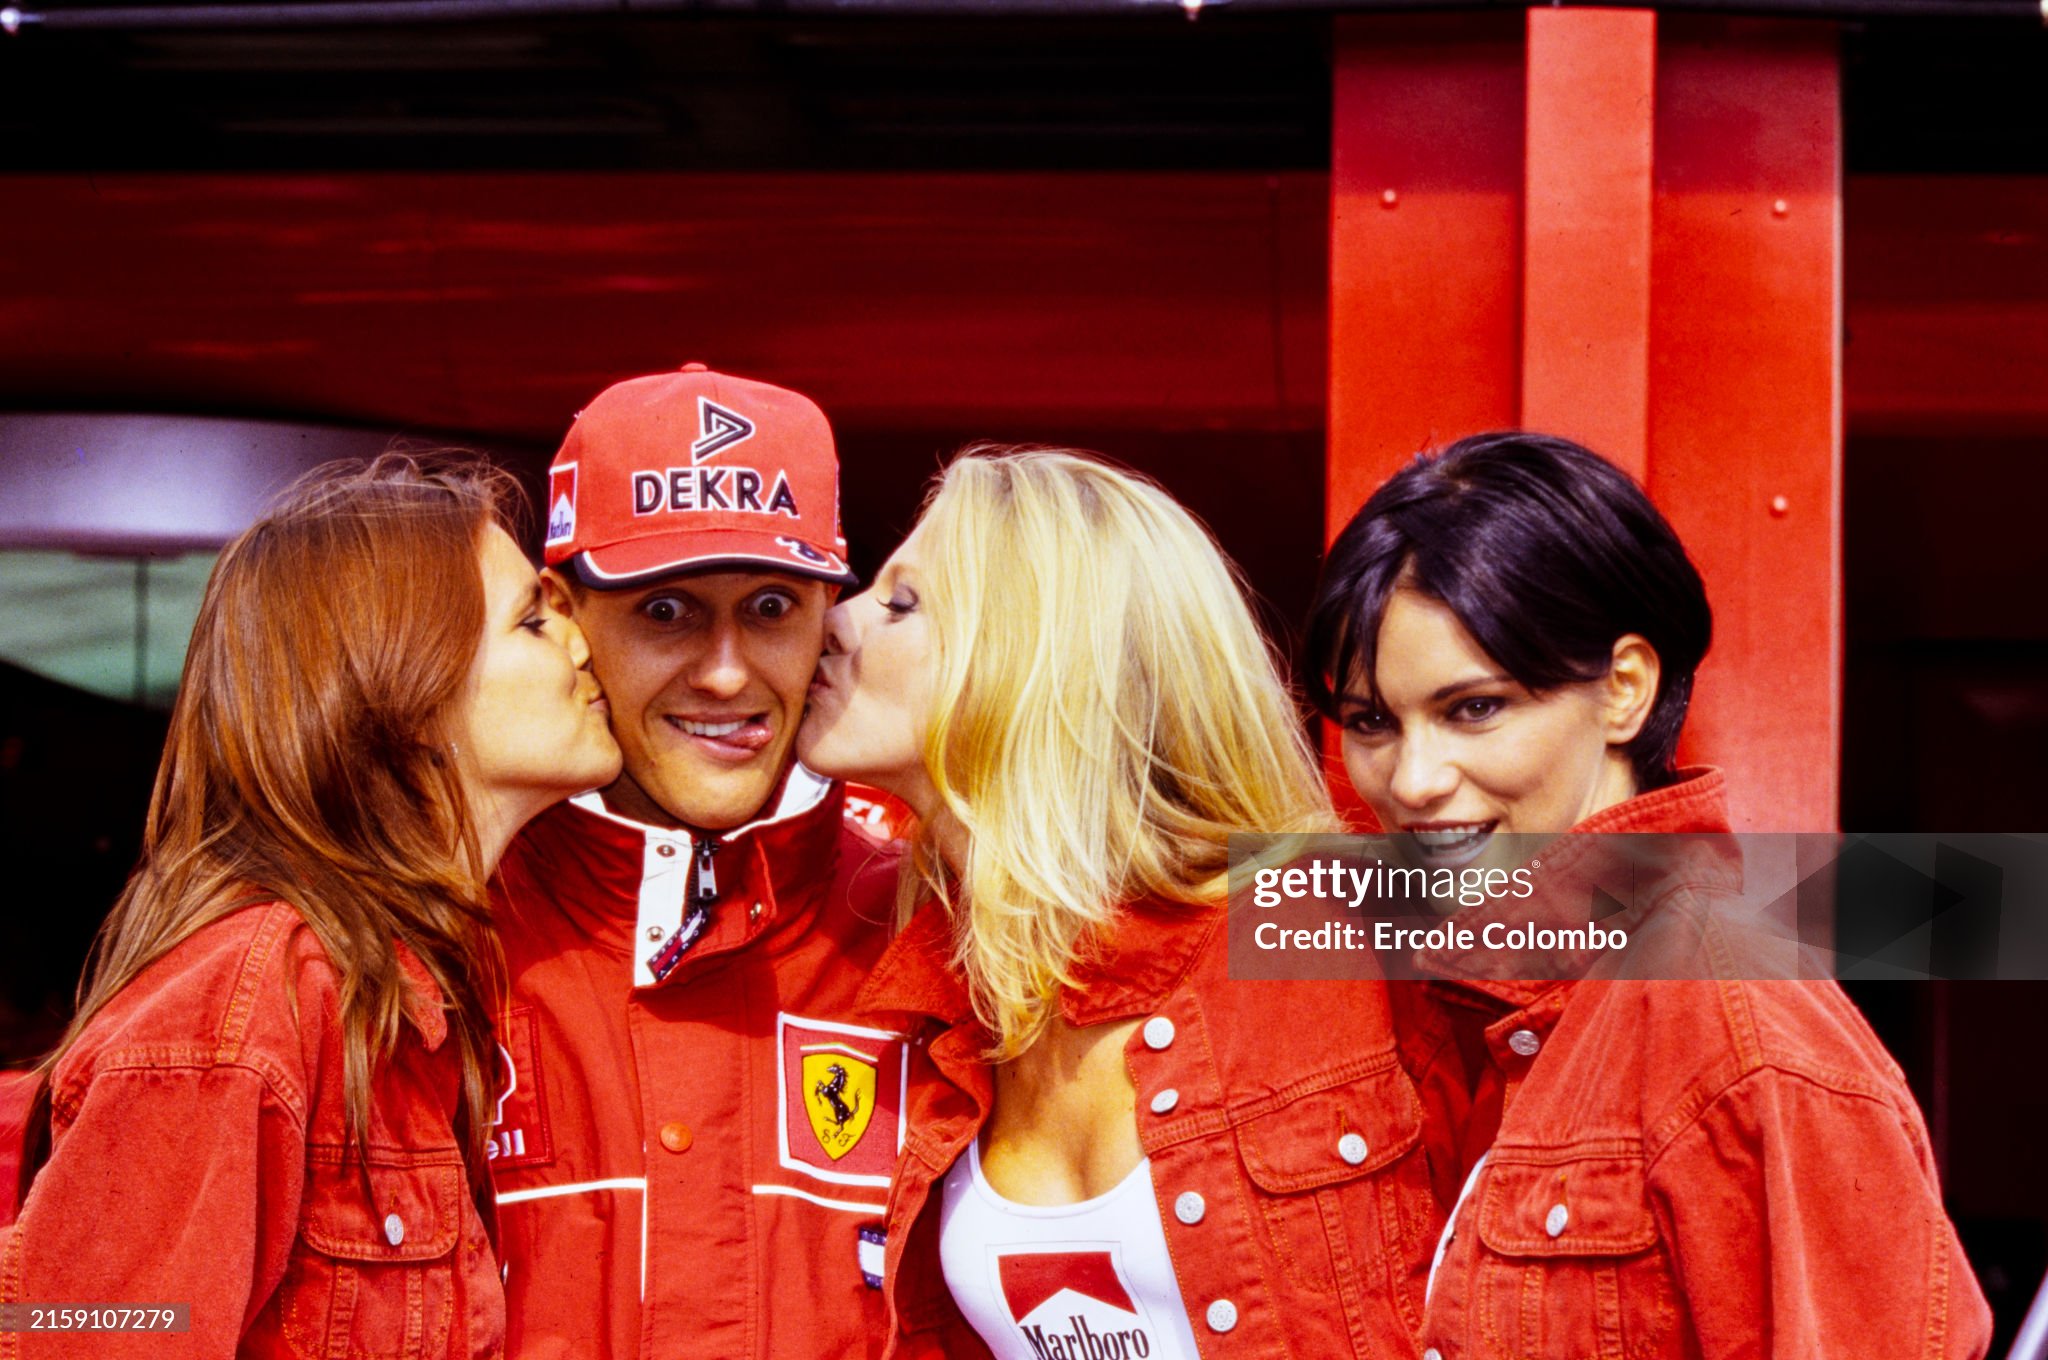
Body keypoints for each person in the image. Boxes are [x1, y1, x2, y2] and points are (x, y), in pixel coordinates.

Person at [1304, 431, 1992, 1360]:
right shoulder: (1446, 1010)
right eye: (1371, 721)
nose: (1414, 778)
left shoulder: (1738, 1028)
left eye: (1475, 708)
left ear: (1624, 688)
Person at [801, 447, 1444, 1360]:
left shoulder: (1312, 910)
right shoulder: (942, 991)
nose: (835, 619)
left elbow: (1685, 913)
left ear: (1037, 661)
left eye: (901, 603)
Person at [0, 454, 621, 1358]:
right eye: (532, 620)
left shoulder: (401, 994)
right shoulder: (252, 1001)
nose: (579, 644)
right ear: (405, 690)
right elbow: (90, 1328)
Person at [488, 364, 903, 1360]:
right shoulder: (426, 933)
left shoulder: (938, 912)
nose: (725, 671)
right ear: (562, 615)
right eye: (664, 611)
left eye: (768, 606)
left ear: (825, 618)